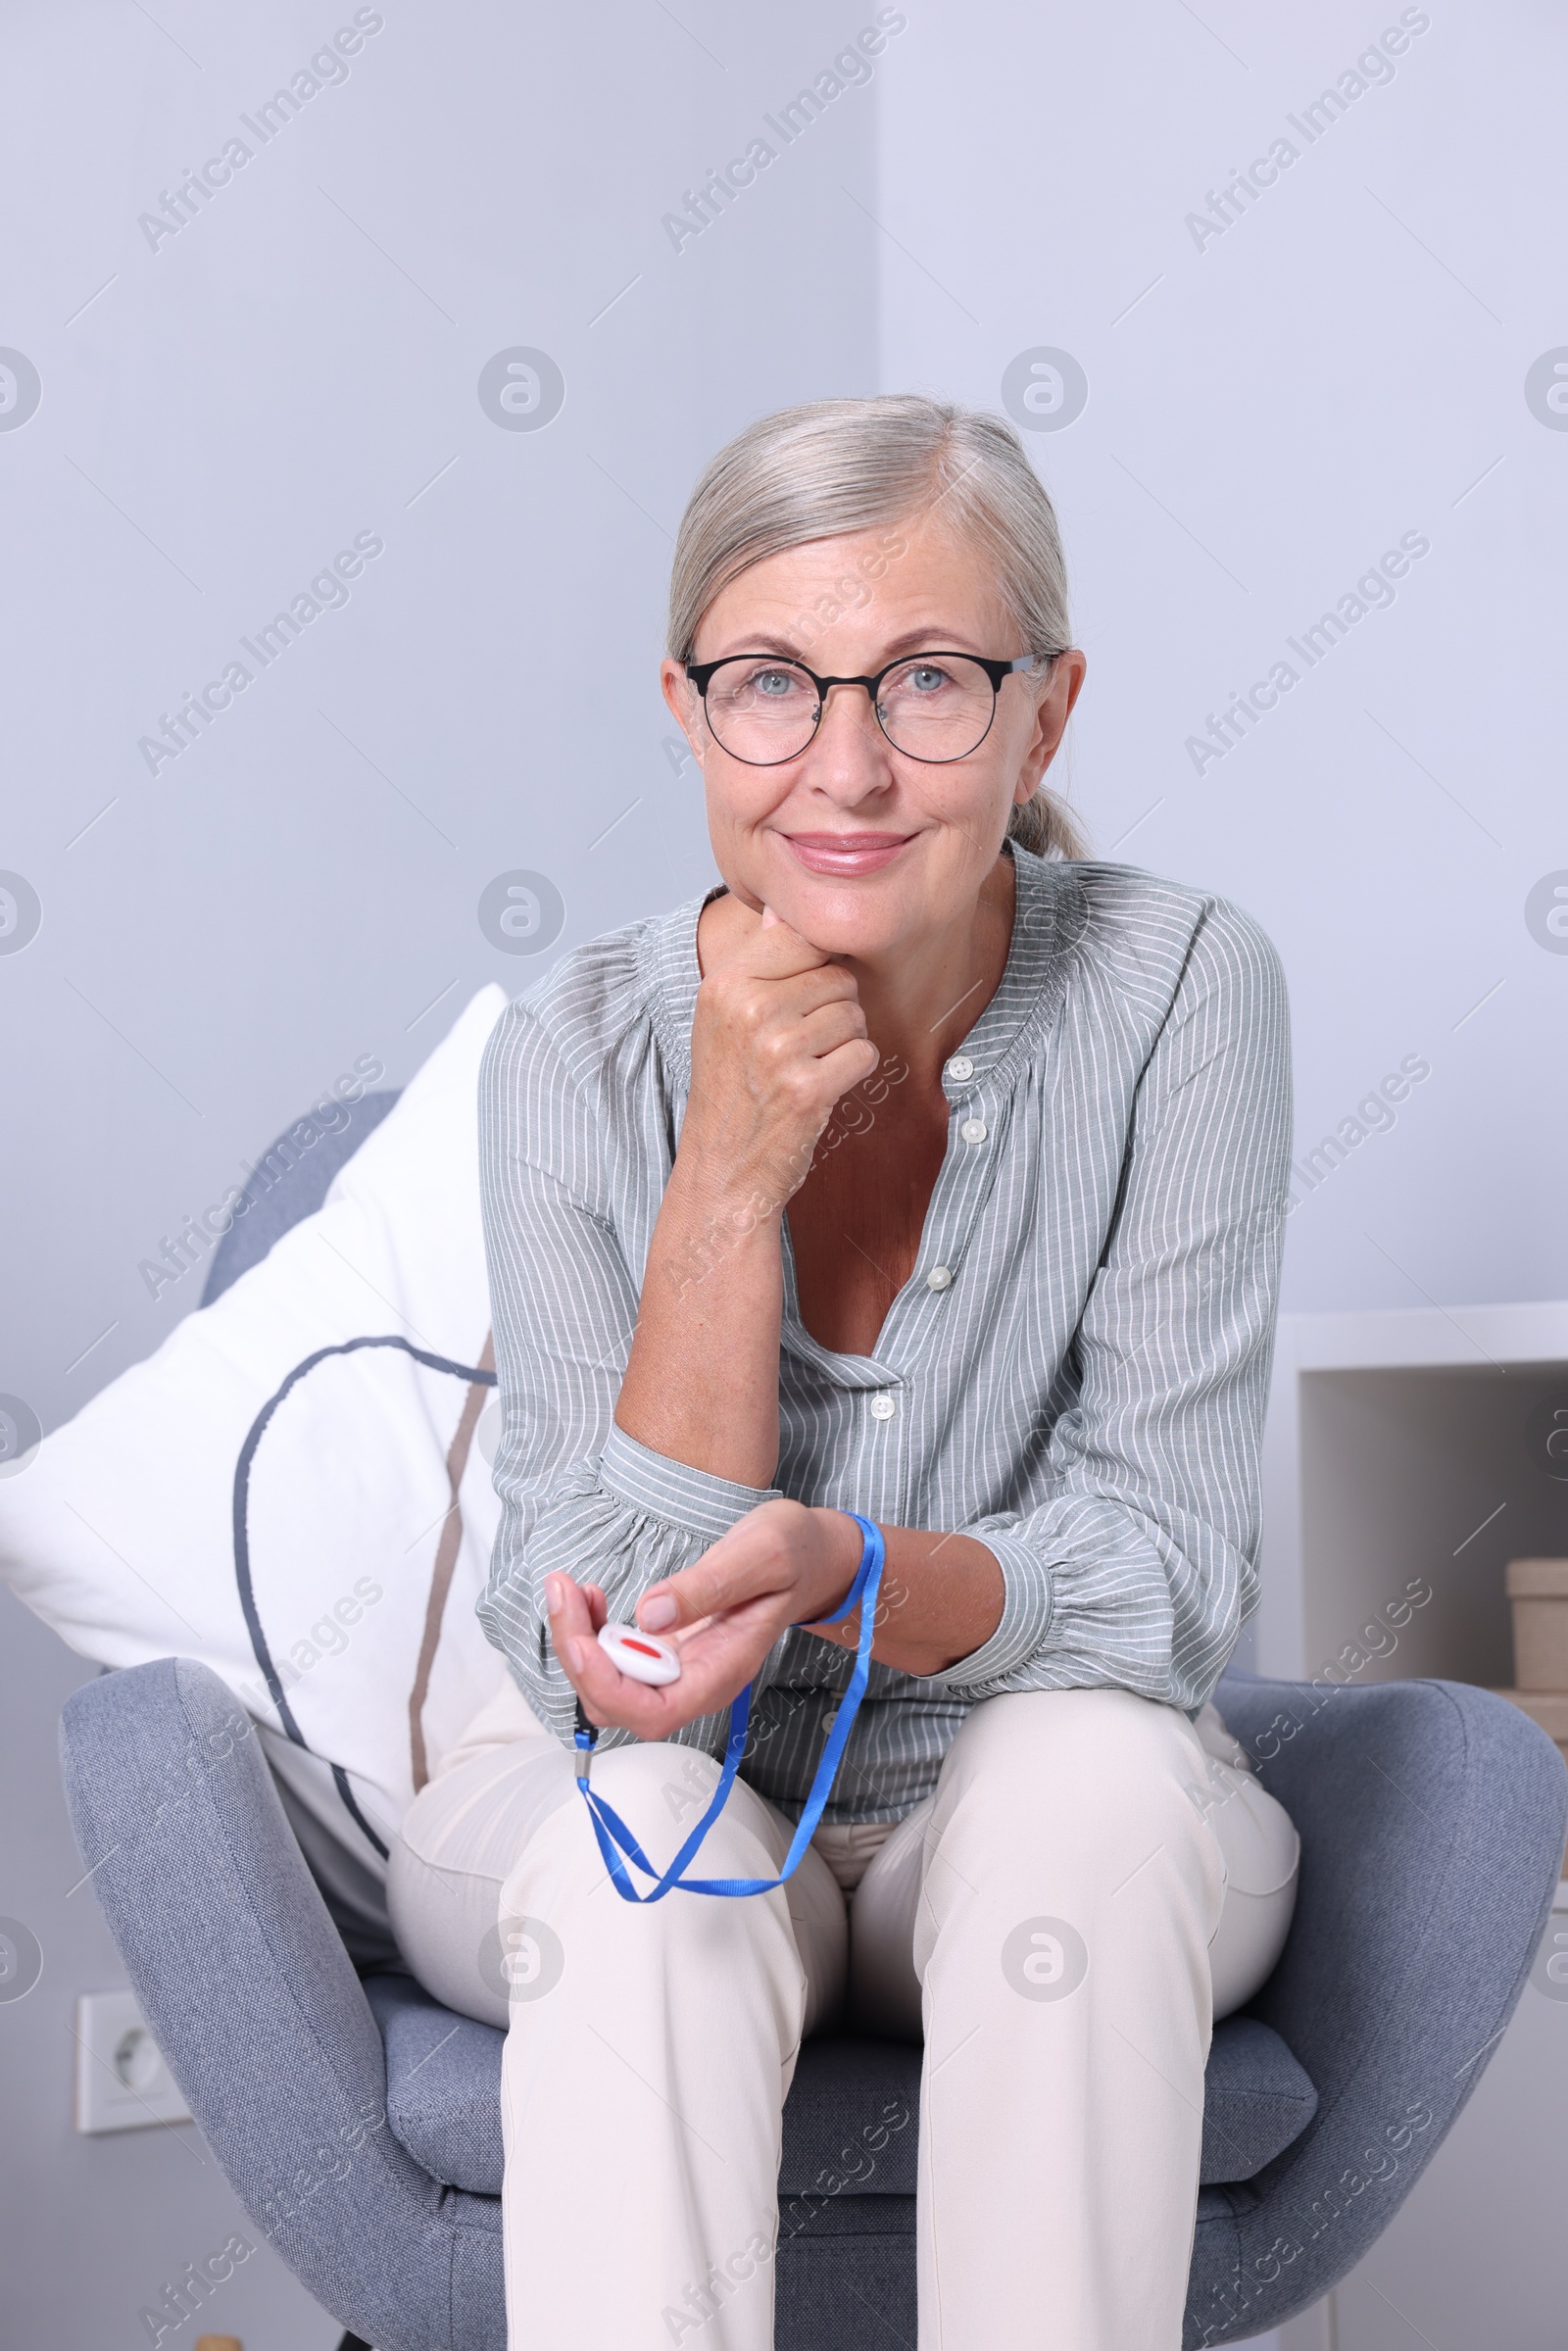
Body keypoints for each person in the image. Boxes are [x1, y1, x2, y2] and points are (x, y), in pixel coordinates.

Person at [387, 394, 1300, 2350]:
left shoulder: (1178, 990)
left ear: (1045, 714)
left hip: (1021, 1788)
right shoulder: (573, 1053)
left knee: (1092, 1791)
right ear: (684, 706)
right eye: (773, 686)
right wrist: (725, 1173)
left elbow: (1162, 1572)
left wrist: (851, 1577)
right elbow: (594, 1666)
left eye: (931, 682)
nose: (850, 766)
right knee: (650, 1876)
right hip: (639, 1788)